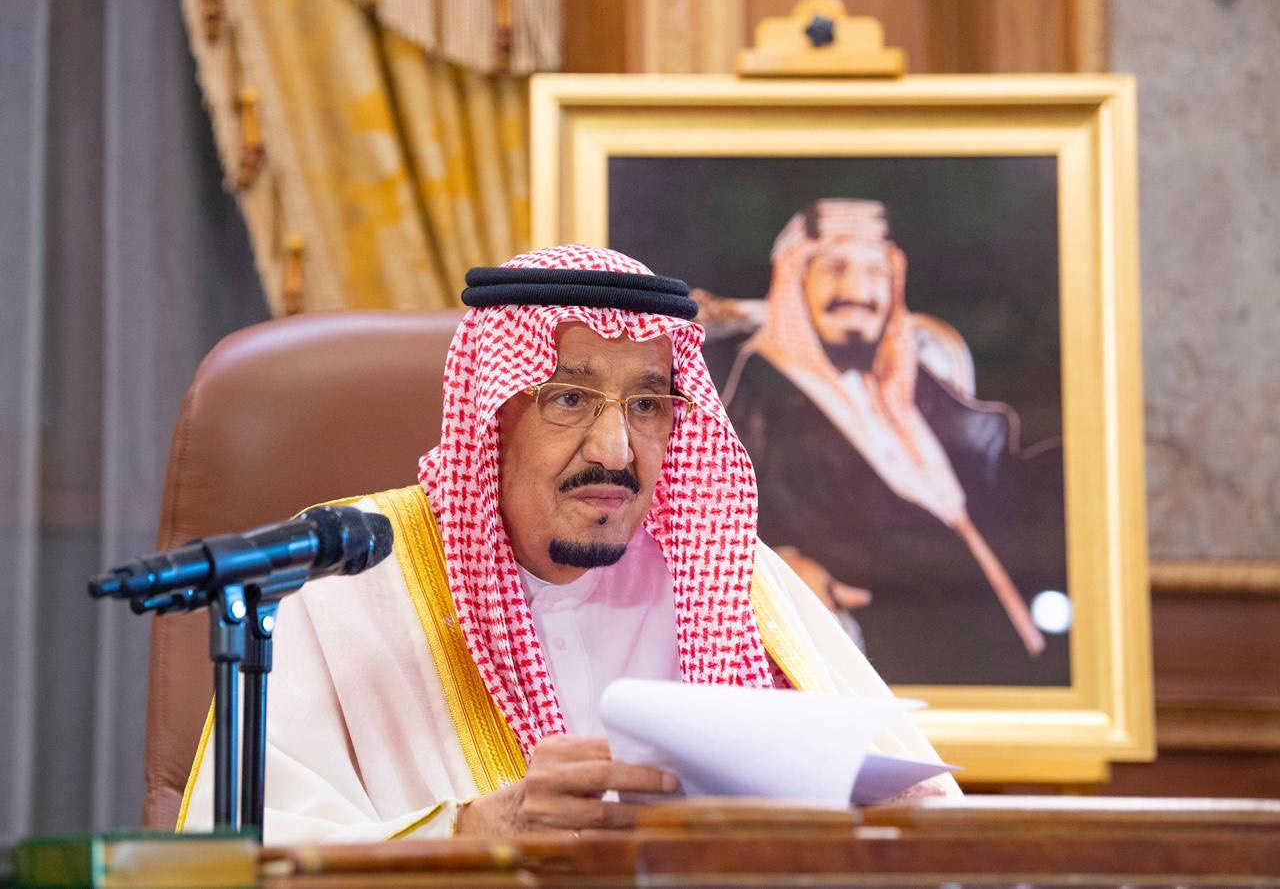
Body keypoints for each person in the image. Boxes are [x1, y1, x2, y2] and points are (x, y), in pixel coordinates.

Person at [179, 244, 958, 843]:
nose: (615, 450)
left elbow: (921, 810)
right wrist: (470, 835)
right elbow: (236, 857)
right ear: (492, 415)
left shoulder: (731, 582)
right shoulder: (349, 579)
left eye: (648, 405)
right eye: (570, 398)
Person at [714, 200, 1069, 686]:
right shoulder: (763, 403)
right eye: (835, 268)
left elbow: (1000, 473)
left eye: (876, 272)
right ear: (796, 283)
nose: (859, 292)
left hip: (1018, 651)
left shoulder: (907, 380)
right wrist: (777, 570)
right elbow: (730, 529)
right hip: (899, 663)